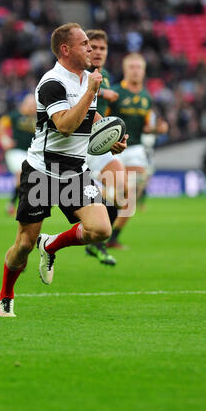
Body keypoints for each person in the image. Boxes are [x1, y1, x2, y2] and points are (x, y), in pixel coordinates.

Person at [0, 23, 128, 317]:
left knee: (101, 229)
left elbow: (89, 121)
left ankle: (52, 244)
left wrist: (110, 141)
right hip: (42, 171)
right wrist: (92, 90)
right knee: (23, 246)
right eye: (84, 44)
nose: (91, 48)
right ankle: (6, 294)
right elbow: (66, 126)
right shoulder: (52, 83)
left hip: (75, 172)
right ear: (66, 50)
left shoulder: (89, 79)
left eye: (91, 44)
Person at [106, 53, 168, 249]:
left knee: (133, 193)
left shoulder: (146, 97)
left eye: (138, 67)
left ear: (143, 71)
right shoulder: (115, 92)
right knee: (117, 193)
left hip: (135, 148)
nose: (135, 70)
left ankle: (113, 237)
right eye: (131, 66)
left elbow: (147, 126)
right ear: (125, 70)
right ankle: (102, 227)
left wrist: (159, 128)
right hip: (113, 149)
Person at [84, 29, 126, 266]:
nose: (98, 52)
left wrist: (118, 136)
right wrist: (101, 91)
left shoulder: (107, 75)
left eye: (102, 48)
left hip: (97, 146)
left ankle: (96, 242)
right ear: (85, 48)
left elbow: (110, 116)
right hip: (74, 146)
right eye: (93, 47)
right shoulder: (77, 72)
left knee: (123, 191)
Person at [0, 94, 37, 216]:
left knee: (26, 179)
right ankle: (14, 205)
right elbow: (0, 125)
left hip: (32, 153)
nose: (32, 107)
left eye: (34, 105)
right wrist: (4, 138)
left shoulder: (38, 117)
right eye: (30, 104)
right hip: (16, 151)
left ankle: (12, 204)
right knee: (21, 173)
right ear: (24, 104)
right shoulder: (14, 115)